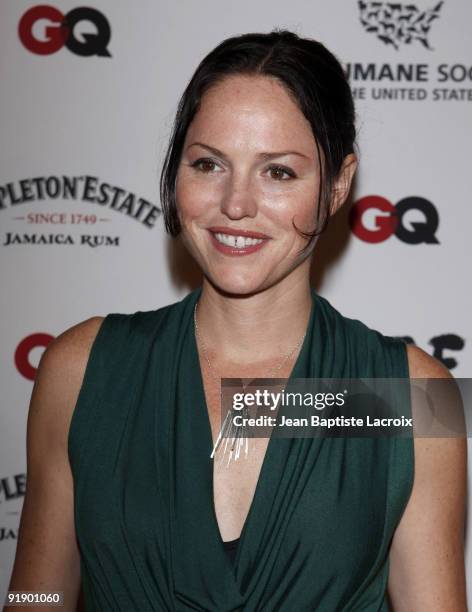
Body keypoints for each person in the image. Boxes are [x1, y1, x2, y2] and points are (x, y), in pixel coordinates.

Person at [6, 29, 467, 611]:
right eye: (208, 164)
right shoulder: (81, 370)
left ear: (338, 185)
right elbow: (36, 597)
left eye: (278, 172)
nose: (236, 204)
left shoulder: (411, 396)